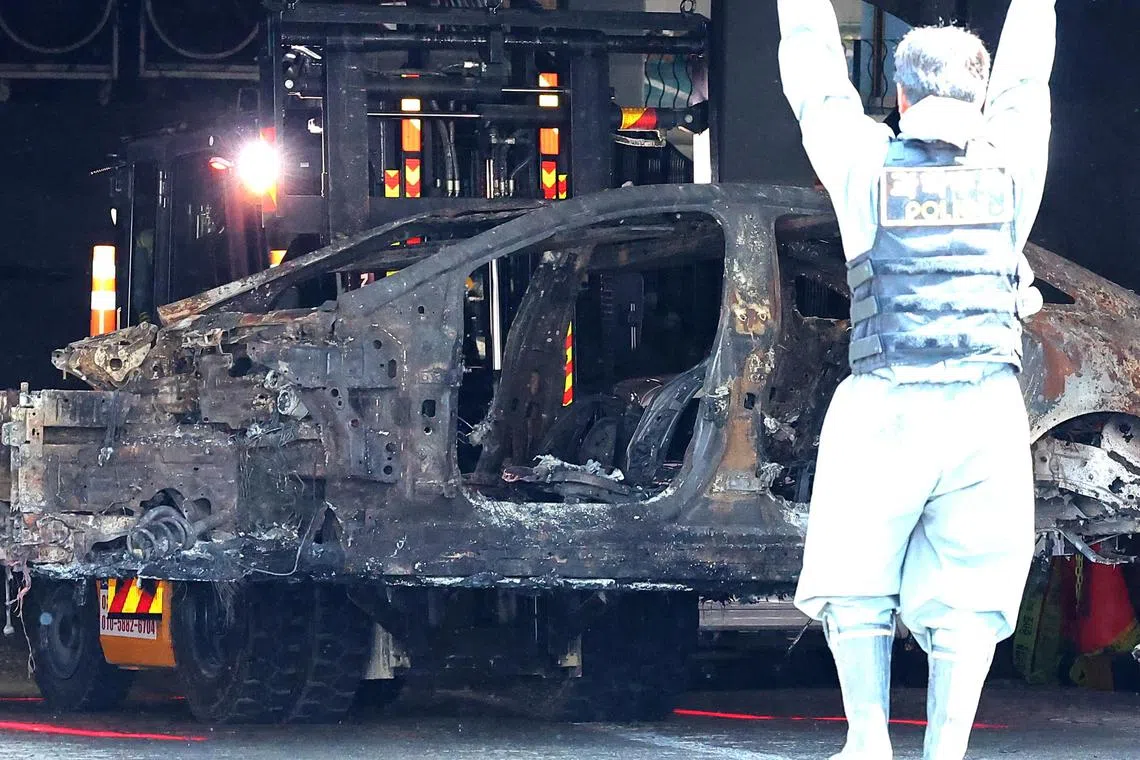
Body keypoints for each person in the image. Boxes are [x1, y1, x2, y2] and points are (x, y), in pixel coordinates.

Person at [776, 1, 1057, 759]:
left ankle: (867, 741)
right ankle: (946, 752)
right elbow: (1029, 76)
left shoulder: (864, 163)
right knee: (969, 599)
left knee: (856, 581)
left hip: (886, 405)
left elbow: (816, 79)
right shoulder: (1012, 157)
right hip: (986, 415)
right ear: (981, 91)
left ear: (899, 95)